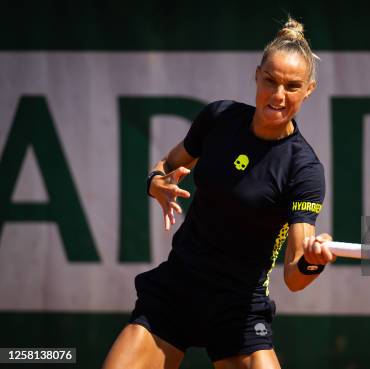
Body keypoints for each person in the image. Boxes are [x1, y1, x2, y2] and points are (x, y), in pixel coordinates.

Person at [102, 17, 334, 369]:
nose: (278, 95)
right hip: (179, 287)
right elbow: (168, 163)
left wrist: (312, 261)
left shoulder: (304, 170)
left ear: (309, 90)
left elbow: (294, 276)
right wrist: (155, 183)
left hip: (238, 307)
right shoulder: (219, 118)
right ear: (256, 75)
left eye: (292, 86)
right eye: (270, 81)